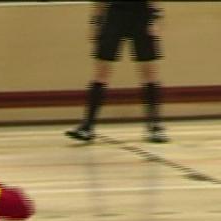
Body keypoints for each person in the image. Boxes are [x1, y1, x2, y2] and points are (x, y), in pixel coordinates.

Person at [66, 0, 169, 143]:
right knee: (101, 73)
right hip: (115, 14)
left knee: (149, 73)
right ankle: (87, 127)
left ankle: (155, 126)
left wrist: (156, 18)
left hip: (142, 14)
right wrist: (95, 22)